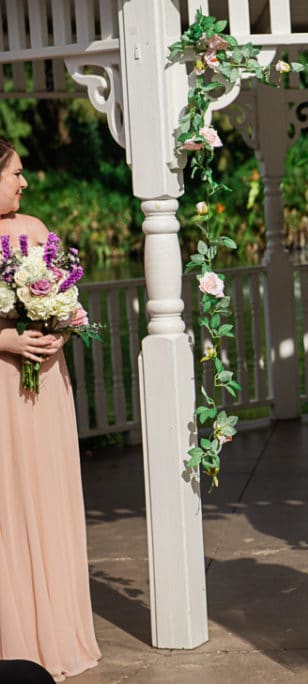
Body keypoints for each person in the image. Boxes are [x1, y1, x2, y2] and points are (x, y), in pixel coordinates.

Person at [0, 138, 101, 680]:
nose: (25, 182)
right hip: (2, 386)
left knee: (47, 492)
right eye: (16, 173)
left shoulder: (35, 230)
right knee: (8, 500)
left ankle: (57, 628)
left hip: (44, 385)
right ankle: (14, 637)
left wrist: (61, 326)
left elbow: (65, 295)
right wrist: (7, 343)